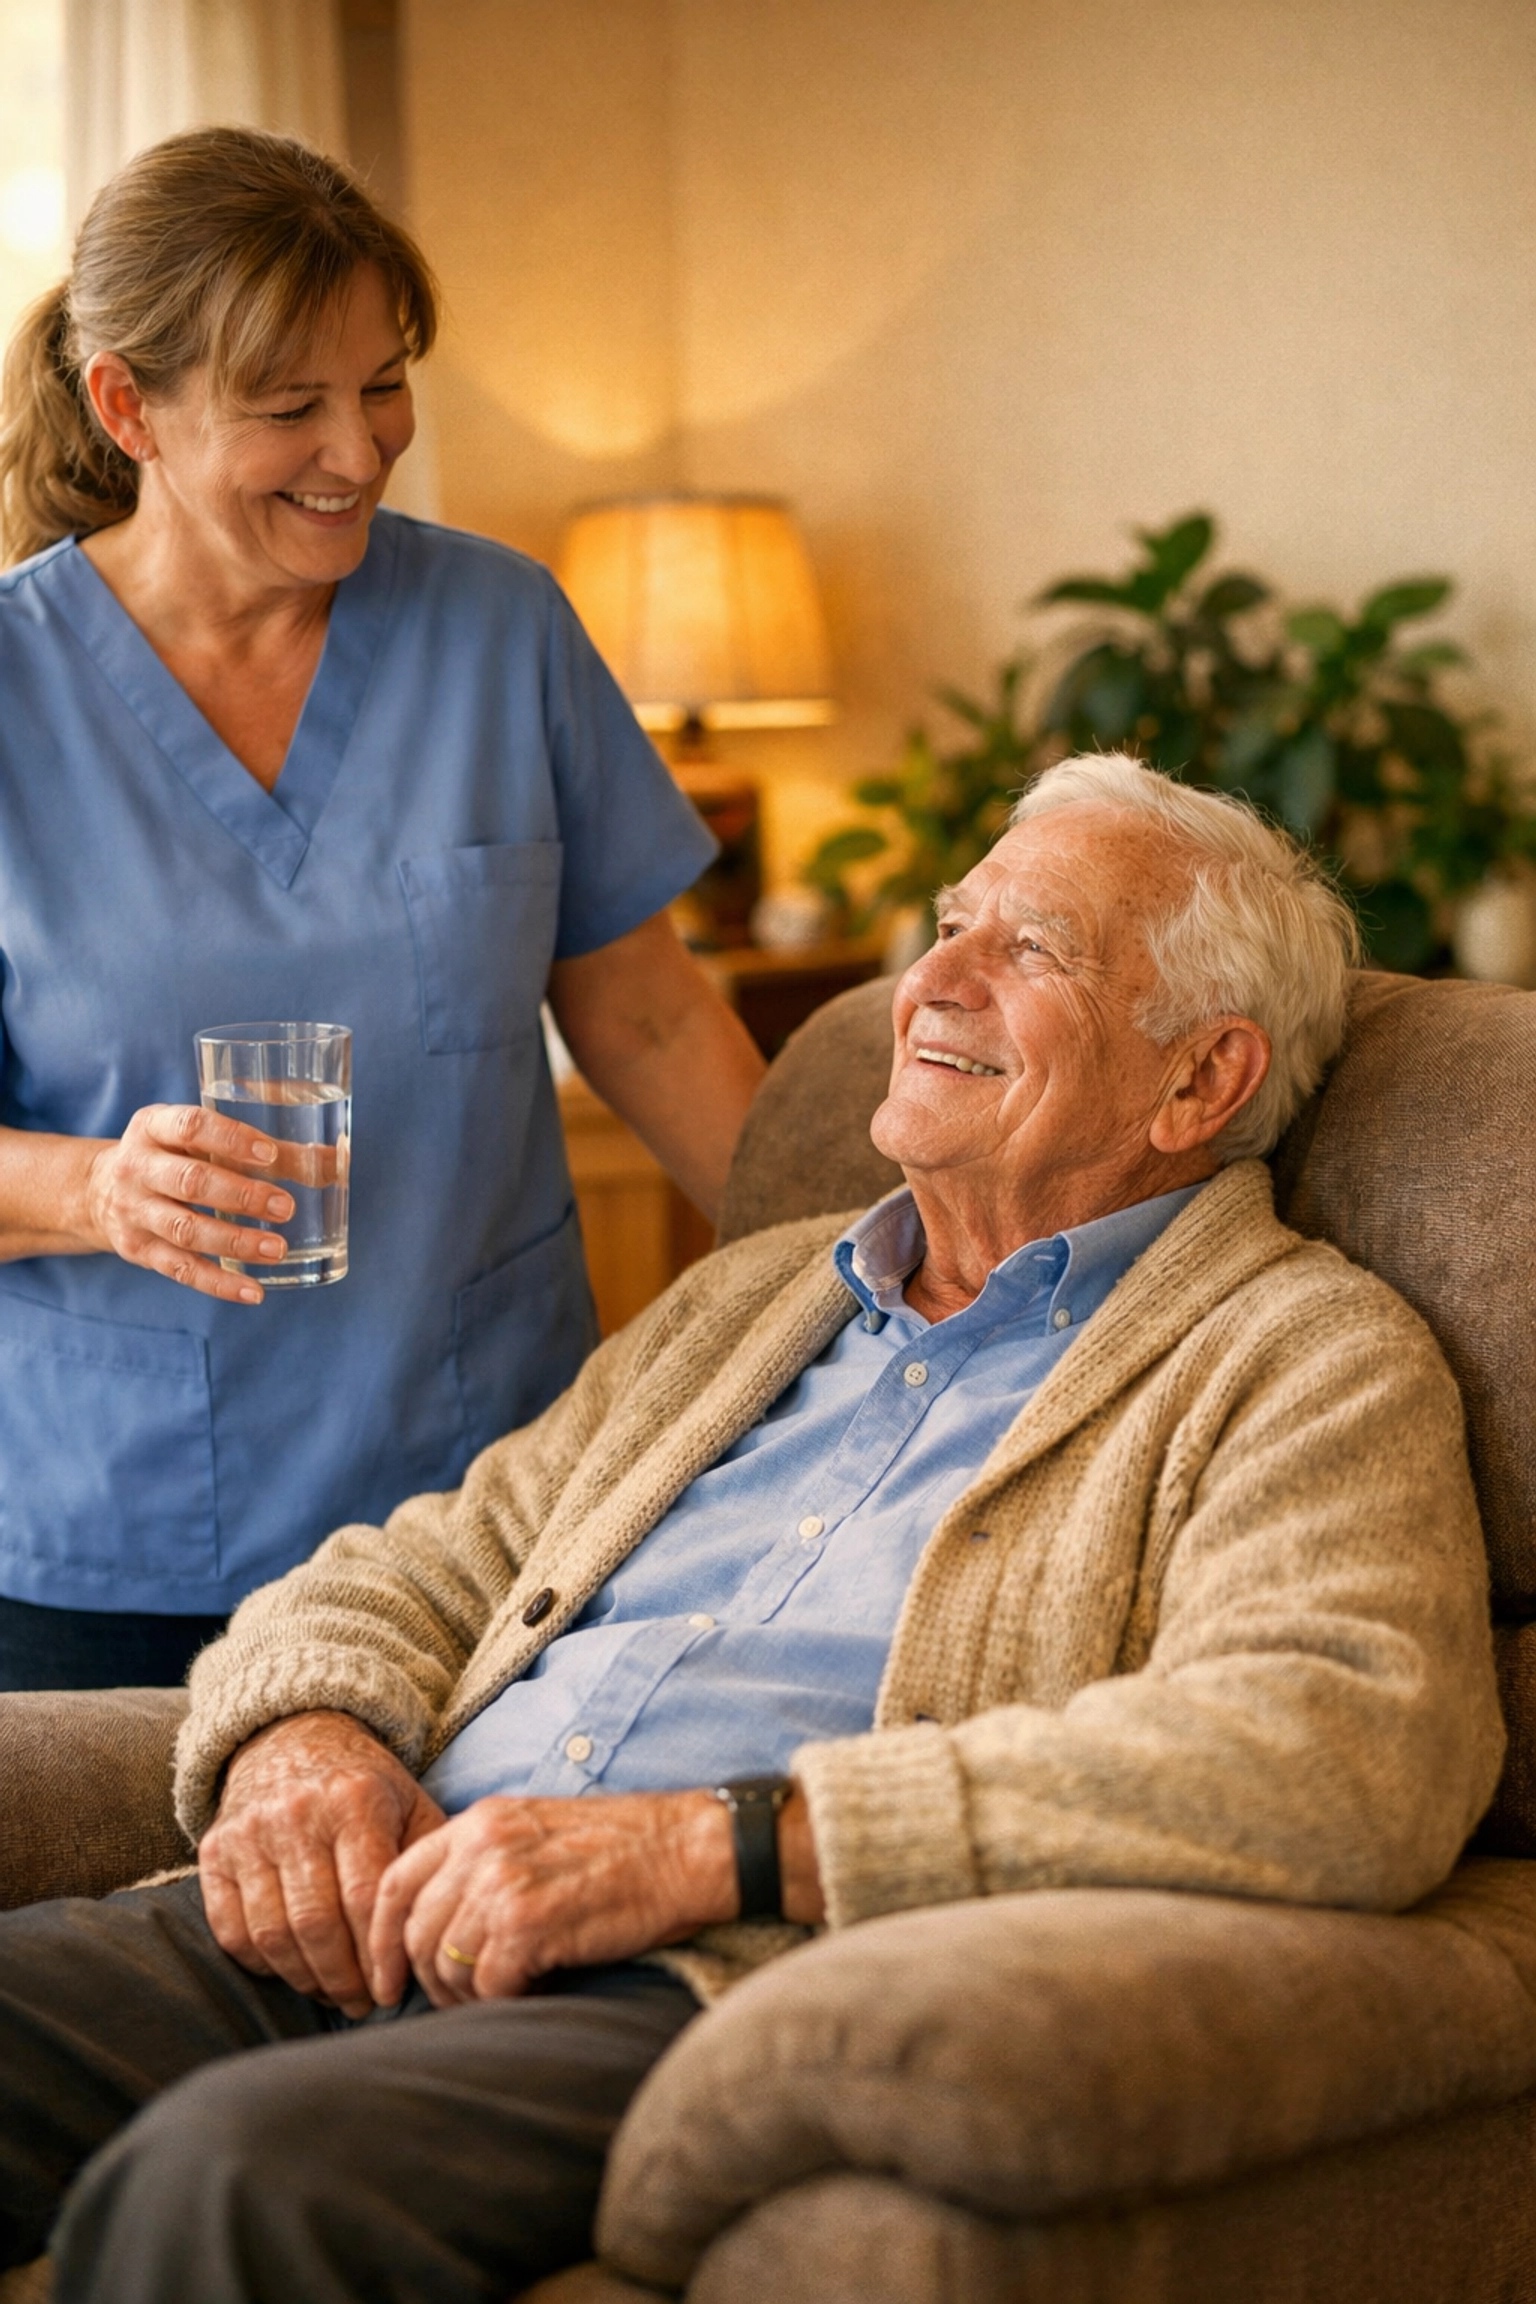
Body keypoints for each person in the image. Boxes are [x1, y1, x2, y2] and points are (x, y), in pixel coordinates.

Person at [0, 755, 1504, 2303]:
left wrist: (718, 1851)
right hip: (377, 1905)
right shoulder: (759, 1294)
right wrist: (304, 1738)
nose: (930, 980)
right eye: (950, 924)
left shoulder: (1300, 1357)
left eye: (1030, 949)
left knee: (234, 2182)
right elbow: (433, 1555)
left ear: (1201, 1079)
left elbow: (1349, 1746)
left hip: (687, 1985)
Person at [0, 128, 765, 1692]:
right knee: (117, 1940)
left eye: (386, 383)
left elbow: (648, 1010)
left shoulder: (501, 629)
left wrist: (877, 1267)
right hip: (113, 1544)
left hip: (487, 1512)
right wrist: (94, 1192)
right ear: (127, 407)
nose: (358, 450)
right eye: (289, 409)